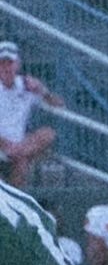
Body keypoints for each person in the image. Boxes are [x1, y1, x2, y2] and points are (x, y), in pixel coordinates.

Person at [0, 42, 65, 188]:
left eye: (9, 63)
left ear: (17, 64)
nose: (5, 68)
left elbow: (59, 105)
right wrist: (5, 145)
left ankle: (14, 200)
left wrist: (43, 90)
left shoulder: (27, 85)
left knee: (48, 134)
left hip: (19, 146)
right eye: (1, 63)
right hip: (4, 144)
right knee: (23, 160)